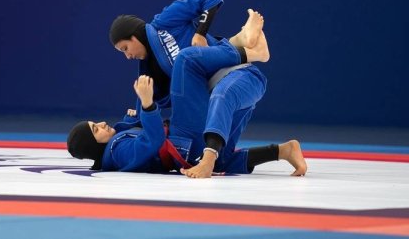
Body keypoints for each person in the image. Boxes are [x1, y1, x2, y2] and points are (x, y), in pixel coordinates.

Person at [67, 34, 307, 178]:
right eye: (95, 129)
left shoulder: (116, 147)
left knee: (224, 158)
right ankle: (248, 51)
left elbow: (140, 143)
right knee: (186, 60)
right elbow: (152, 141)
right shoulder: (116, 151)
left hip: (190, 149)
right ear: (94, 145)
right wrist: (148, 105)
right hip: (186, 138)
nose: (100, 124)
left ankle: (283, 150)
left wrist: (130, 121)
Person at [109, 0, 269, 165]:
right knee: (221, 160)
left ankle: (250, 48)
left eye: (125, 48)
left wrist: (200, 33)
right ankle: (241, 40)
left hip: (226, 66)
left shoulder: (164, 21)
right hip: (208, 90)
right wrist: (134, 116)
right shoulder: (147, 74)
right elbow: (146, 114)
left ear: (134, 35)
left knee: (187, 57)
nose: (128, 56)